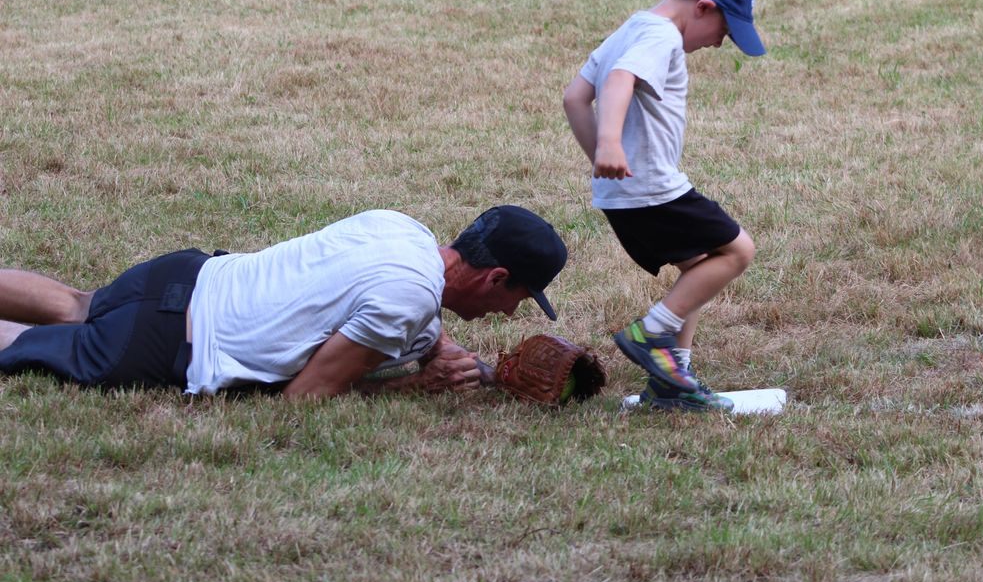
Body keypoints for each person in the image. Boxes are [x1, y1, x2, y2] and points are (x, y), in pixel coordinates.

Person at [0, 205, 568, 398]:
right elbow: (306, 396)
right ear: (495, 278)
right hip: (168, 344)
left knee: (77, 303)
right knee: (24, 342)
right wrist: (411, 386)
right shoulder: (408, 301)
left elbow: (375, 297)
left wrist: (440, 349)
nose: (512, 313)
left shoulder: (401, 230)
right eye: (519, 297)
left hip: (184, 275)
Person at [562, 0, 766, 412]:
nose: (718, 43)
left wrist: (603, 161)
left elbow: (575, 97)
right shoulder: (661, 37)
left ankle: (673, 380)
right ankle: (651, 335)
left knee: (700, 269)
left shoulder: (635, 25)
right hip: (654, 189)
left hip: (624, 193)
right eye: (725, 31)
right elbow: (619, 80)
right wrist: (611, 143)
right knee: (738, 251)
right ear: (704, 8)